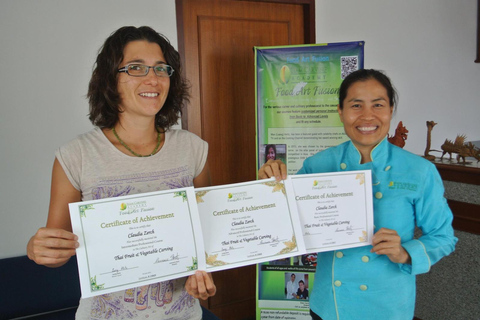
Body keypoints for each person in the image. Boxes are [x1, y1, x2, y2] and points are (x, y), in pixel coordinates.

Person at [27, 26, 218, 320]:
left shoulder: (193, 149)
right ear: (110, 79)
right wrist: (39, 248)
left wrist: (204, 273)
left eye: (161, 68)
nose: (152, 78)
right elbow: (58, 247)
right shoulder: (76, 155)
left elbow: (206, 234)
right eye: (136, 68)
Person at [259, 69, 457, 320]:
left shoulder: (420, 171)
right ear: (340, 111)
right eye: (356, 105)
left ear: (391, 110)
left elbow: (443, 236)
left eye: (378, 105)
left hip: (388, 305)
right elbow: (282, 223)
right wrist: (269, 185)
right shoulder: (318, 165)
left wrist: (405, 253)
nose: (367, 116)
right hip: (330, 304)